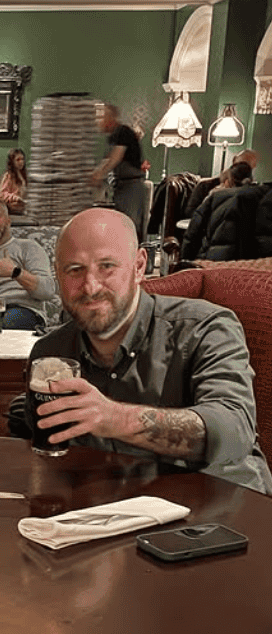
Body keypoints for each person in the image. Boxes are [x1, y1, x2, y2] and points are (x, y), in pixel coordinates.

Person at [15, 207, 272, 493]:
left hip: (223, 513)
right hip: (113, 519)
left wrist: (113, 418)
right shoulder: (50, 352)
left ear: (139, 267)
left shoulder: (205, 327)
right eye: (75, 270)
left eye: (107, 266)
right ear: (58, 277)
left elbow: (234, 432)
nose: (90, 286)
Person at [0, 197, 60, 331]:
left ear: (8, 221)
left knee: (6, 324)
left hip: (22, 310)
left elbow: (47, 291)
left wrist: (15, 272)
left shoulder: (28, 247)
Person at [180, 161, 255, 261]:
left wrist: (185, 260)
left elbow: (193, 231)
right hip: (252, 259)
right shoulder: (262, 196)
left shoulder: (216, 197)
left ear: (228, 181)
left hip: (215, 258)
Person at [90, 103, 146, 233]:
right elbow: (107, 160)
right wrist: (95, 173)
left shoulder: (123, 132)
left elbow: (116, 157)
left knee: (129, 225)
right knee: (120, 223)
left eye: (101, 118)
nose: (98, 123)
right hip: (121, 185)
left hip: (132, 186)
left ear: (110, 118)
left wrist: (99, 174)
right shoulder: (112, 137)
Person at [183, 149, 259, 219]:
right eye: (240, 166)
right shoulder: (205, 186)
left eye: (248, 169)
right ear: (234, 161)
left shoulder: (252, 192)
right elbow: (190, 213)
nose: (242, 171)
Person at [0, 147, 28, 215]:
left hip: (22, 209)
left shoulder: (23, 175)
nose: (21, 162)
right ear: (12, 161)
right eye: (18, 160)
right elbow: (2, 194)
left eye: (22, 159)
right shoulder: (9, 176)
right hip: (12, 211)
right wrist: (15, 198)